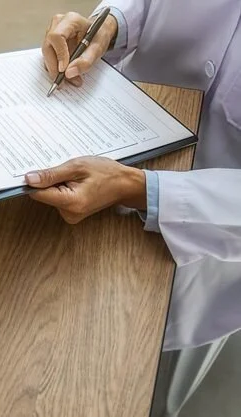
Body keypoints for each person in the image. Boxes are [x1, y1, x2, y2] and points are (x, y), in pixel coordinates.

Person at [35, 1, 240, 416]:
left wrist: (138, 188)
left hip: (199, 257)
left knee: (135, 388)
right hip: (112, 133)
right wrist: (115, 22)